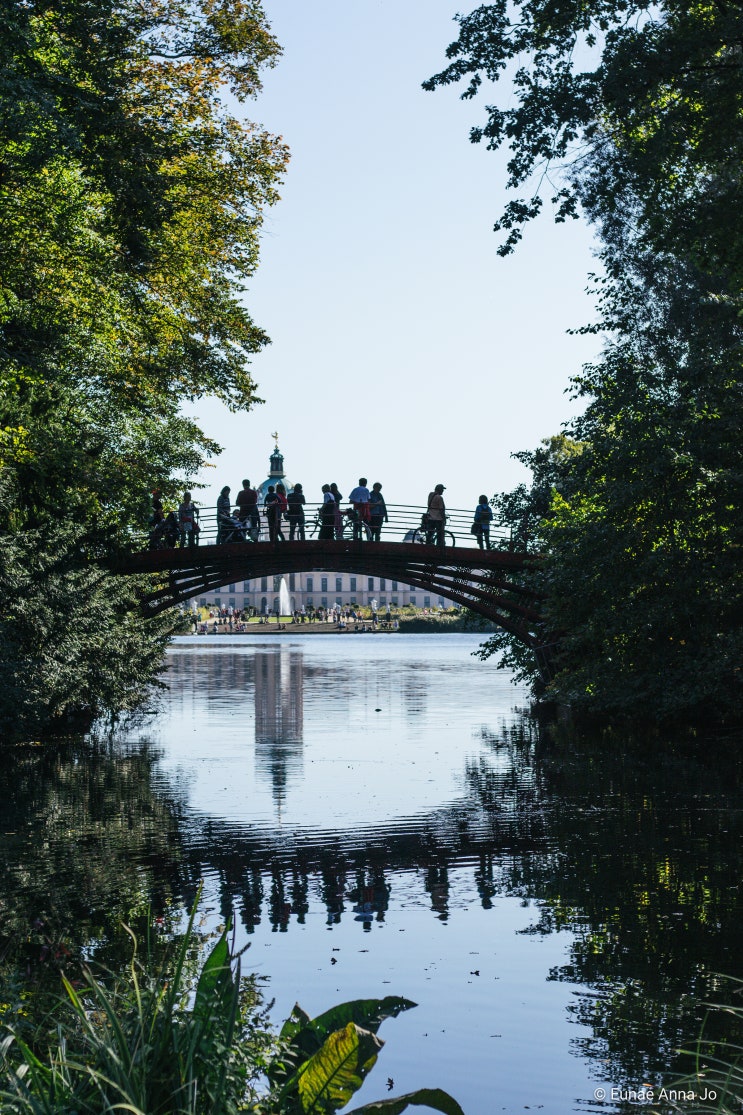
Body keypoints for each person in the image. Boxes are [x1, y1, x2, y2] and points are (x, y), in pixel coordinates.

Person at [426, 483, 447, 548]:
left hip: (430, 517)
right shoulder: (439, 498)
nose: (443, 491)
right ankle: (438, 547)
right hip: (438, 519)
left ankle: (428, 545)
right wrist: (444, 518)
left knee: (430, 533)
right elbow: (441, 509)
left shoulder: (430, 494)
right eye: (442, 489)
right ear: (440, 490)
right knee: (440, 533)